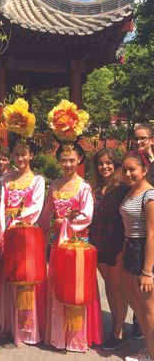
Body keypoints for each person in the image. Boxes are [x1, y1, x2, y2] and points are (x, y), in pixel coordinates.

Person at [38, 143, 103, 352]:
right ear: (58, 161)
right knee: (59, 284)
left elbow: (87, 216)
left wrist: (64, 222)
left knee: (77, 287)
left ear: (80, 160)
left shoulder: (83, 187)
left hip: (77, 246)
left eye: (72, 160)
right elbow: (47, 213)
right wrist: (37, 229)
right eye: (64, 160)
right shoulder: (54, 185)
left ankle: (76, 337)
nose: (68, 164)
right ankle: (58, 334)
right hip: (58, 245)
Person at [0, 137, 46, 345]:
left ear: (31, 155)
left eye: (23, 154)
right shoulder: (7, 179)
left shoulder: (38, 180)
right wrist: (2, 227)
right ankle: (9, 325)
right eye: (16, 154)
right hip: (7, 231)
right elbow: (1, 205)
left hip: (24, 233)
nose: (20, 158)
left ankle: (27, 330)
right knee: (7, 275)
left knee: (24, 278)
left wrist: (16, 220)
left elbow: (36, 207)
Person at [90, 148, 129, 350]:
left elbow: (128, 221)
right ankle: (117, 324)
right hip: (98, 244)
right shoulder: (95, 188)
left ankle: (119, 330)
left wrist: (124, 249)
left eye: (108, 163)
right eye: (100, 163)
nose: (104, 167)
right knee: (110, 287)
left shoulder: (122, 187)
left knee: (117, 288)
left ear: (116, 164)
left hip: (116, 246)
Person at [120, 151, 154, 361]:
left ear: (145, 170)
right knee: (139, 306)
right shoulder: (132, 191)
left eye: (132, 169)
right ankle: (148, 349)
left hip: (144, 251)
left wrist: (148, 272)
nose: (127, 173)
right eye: (124, 169)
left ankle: (151, 354)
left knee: (149, 309)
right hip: (131, 249)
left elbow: (152, 234)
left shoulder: (149, 195)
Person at [131, 123, 154, 339]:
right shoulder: (133, 160)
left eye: (143, 138)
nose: (139, 141)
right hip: (138, 228)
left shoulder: (152, 162)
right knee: (140, 286)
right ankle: (139, 324)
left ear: (151, 139)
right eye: (136, 138)